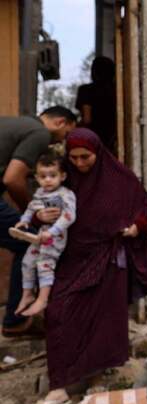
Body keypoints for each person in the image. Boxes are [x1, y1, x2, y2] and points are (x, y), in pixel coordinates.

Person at [29, 128, 147, 404]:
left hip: (108, 258)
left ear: (97, 153)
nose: (81, 163)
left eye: (85, 157)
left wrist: (136, 227)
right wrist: (40, 216)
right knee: (59, 311)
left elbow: (143, 208)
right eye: (74, 158)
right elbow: (40, 206)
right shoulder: (65, 179)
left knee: (102, 322)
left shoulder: (120, 179)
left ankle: (96, 379)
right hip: (71, 258)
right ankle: (59, 385)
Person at [0, 106, 76, 336]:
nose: (63, 141)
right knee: (29, 240)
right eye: (67, 134)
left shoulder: (16, 124)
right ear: (60, 122)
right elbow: (13, 179)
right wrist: (32, 215)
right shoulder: (39, 133)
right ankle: (16, 321)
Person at [11, 154, 76, 317]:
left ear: (63, 176)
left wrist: (52, 232)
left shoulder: (65, 194)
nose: (47, 180)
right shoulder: (40, 193)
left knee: (44, 262)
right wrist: (24, 221)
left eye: (52, 176)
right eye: (43, 176)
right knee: (27, 260)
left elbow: (69, 216)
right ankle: (27, 294)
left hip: (56, 236)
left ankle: (43, 298)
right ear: (36, 178)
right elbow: (32, 207)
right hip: (41, 235)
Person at [75, 56, 117, 153]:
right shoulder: (118, 91)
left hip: (93, 139)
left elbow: (87, 119)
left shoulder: (86, 90)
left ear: (94, 72)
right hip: (113, 137)